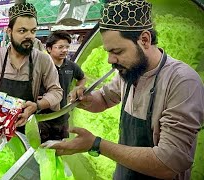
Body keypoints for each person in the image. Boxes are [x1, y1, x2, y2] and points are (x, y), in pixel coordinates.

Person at [46, 1, 204, 179]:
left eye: (117, 51)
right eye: (108, 51)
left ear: (144, 40)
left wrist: (96, 144)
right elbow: (105, 99)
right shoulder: (129, 71)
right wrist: (87, 100)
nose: (110, 60)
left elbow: (168, 164)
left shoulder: (182, 82)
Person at [0, 3, 63, 133]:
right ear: (9, 31)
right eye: (22, 31)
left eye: (33, 31)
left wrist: (37, 105)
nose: (29, 36)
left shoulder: (43, 60)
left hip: (26, 126)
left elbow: (56, 91)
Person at [38, 30, 86, 143]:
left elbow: (82, 78)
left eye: (66, 47)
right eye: (60, 47)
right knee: (40, 150)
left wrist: (78, 88)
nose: (64, 50)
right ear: (49, 48)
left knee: (60, 149)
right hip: (42, 118)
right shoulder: (40, 66)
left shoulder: (71, 66)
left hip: (62, 118)